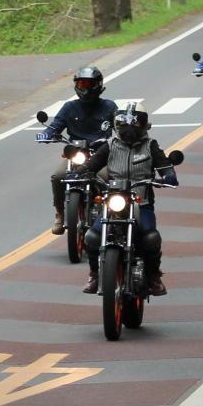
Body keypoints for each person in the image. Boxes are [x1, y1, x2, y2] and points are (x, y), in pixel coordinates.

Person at [81, 102, 179, 297]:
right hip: (113, 202)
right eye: (124, 123)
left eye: (134, 123)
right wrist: (82, 173)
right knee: (91, 237)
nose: (129, 128)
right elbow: (92, 164)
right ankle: (95, 274)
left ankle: (153, 277)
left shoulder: (150, 146)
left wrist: (169, 175)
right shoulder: (109, 145)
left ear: (144, 124)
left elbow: (164, 164)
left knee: (151, 238)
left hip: (141, 204)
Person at [37, 65, 120, 233]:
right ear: (76, 86)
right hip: (75, 154)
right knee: (58, 176)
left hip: (100, 154)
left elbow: (120, 126)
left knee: (105, 177)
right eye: (82, 84)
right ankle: (60, 214)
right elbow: (55, 126)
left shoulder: (109, 107)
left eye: (90, 84)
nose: (86, 89)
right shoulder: (69, 107)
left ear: (99, 85)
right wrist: (45, 134)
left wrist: (122, 135)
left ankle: (111, 214)